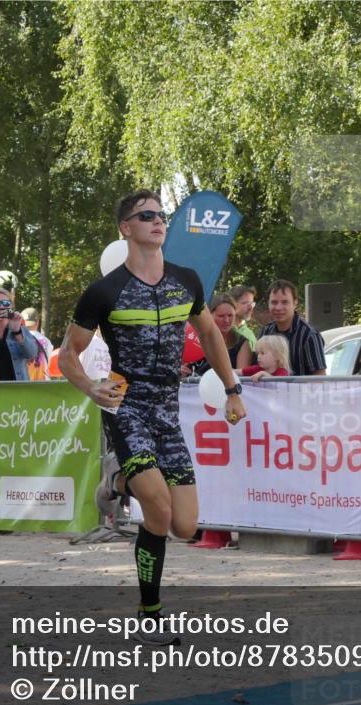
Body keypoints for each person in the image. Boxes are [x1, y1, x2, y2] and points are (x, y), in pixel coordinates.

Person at [59, 189, 246, 647]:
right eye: (147, 216)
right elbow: (68, 355)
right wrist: (89, 386)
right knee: (158, 510)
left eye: (161, 215)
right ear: (126, 229)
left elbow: (210, 336)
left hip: (167, 409)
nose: (158, 222)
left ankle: (116, 483)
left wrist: (232, 389)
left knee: (185, 525)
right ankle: (150, 614)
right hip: (127, 407)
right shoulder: (105, 291)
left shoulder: (186, 280)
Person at [259, 280, 326, 376]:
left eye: (285, 302)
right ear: (268, 303)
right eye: (274, 302)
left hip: (301, 391)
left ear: (295, 303)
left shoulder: (309, 335)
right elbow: (257, 366)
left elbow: (320, 376)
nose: (278, 307)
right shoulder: (266, 331)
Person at [184, 294, 252, 377]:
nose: (226, 320)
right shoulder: (194, 335)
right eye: (221, 316)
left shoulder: (242, 343)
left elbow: (243, 377)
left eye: (230, 315)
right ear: (209, 315)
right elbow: (182, 364)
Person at [21, 307, 53, 381]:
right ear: (37, 322)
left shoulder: (17, 339)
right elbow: (47, 364)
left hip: (23, 383)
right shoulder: (47, 342)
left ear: (21, 322)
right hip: (43, 384)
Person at [228, 284, 258, 351]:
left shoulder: (250, 337)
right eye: (245, 303)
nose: (250, 308)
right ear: (231, 303)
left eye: (252, 303)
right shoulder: (218, 328)